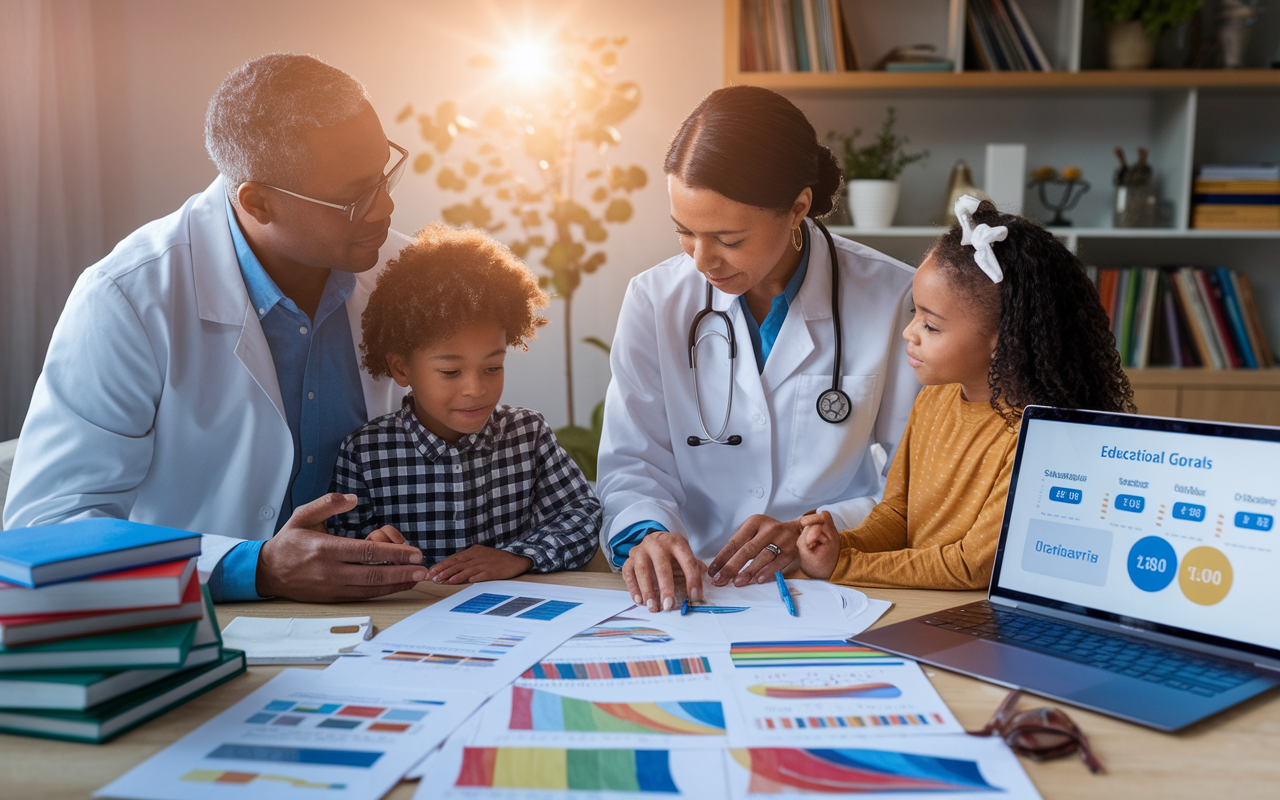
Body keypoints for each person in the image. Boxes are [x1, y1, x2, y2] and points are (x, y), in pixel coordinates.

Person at [3, 53, 430, 602]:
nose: (385, 209)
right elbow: (45, 530)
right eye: (354, 199)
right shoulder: (128, 297)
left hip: (399, 610)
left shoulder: (406, 274)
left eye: (384, 174)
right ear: (258, 202)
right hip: (204, 623)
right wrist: (252, 568)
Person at [597, 85, 920, 612]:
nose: (702, 260)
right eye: (685, 233)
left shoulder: (893, 297)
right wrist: (648, 534)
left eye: (727, 239)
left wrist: (819, 529)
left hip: (831, 583)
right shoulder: (655, 300)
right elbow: (633, 459)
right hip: (693, 587)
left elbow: (912, 482)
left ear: (797, 208)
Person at [796, 196, 1136, 589]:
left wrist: (844, 566)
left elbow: (973, 566)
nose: (910, 334)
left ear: (1003, 339)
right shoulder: (933, 399)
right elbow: (897, 515)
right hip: (918, 601)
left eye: (932, 326)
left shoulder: (1036, 434)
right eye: (915, 314)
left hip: (975, 613)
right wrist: (840, 545)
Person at [328, 224, 601, 582]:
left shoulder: (528, 435)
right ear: (401, 367)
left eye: (492, 367)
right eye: (451, 371)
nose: (475, 389)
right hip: (410, 617)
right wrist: (370, 548)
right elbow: (338, 543)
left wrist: (516, 557)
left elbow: (582, 514)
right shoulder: (364, 452)